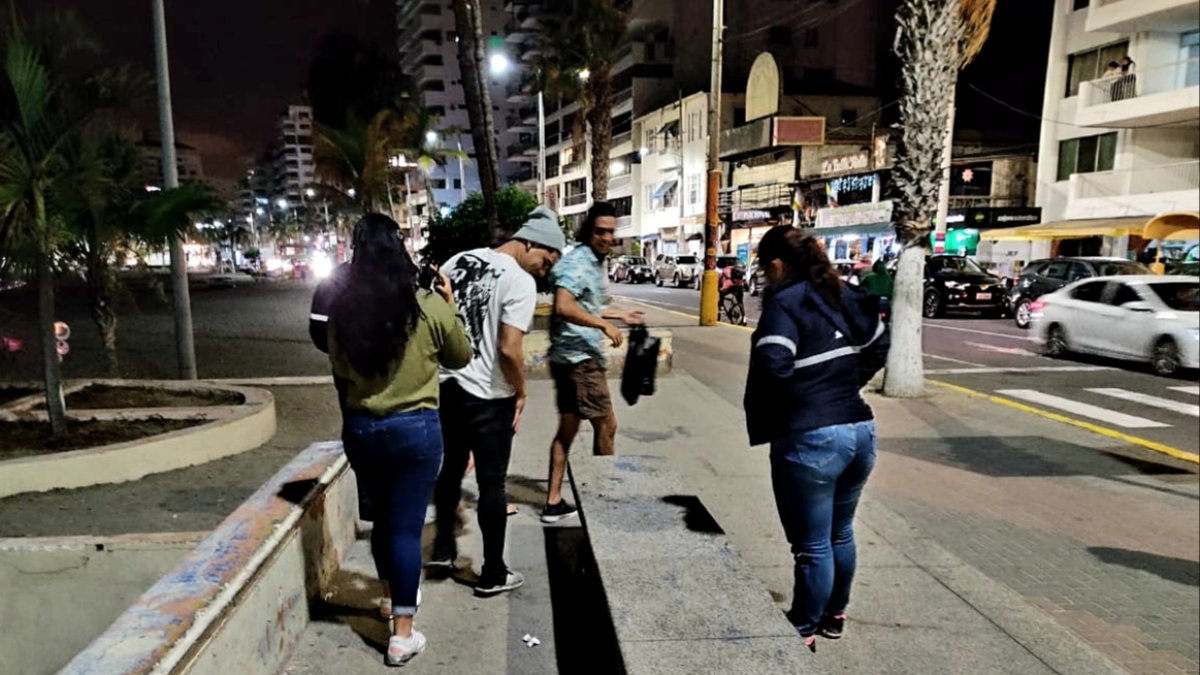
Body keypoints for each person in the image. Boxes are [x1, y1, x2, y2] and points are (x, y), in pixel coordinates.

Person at [327, 213, 472, 667]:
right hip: (416, 429)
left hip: (363, 429)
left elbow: (340, 372)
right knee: (407, 529)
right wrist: (451, 304)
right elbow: (461, 356)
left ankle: (391, 599)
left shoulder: (342, 310)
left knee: (384, 524)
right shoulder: (427, 304)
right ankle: (401, 635)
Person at [744, 226, 890, 653]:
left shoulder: (786, 302)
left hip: (811, 439)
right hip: (860, 429)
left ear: (776, 265)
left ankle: (803, 629)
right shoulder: (842, 293)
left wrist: (805, 404)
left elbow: (773, 363)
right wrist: (844, 386)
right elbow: (879, 348)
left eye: (763, 268)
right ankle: (833, 616)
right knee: (840, 532)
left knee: (811, 546)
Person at [430, 206, 566, 597]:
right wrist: (521, 391)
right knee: (492, 483)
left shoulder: (456, 262)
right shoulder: (519, 282)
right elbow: (509, 350)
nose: (544, 269)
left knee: (451, 468)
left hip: (446, 385)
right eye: (546, 259)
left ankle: (443, 548)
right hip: (489, 396)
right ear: (530, 242)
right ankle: (492, 572)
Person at [542, 201, 643, 524]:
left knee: (568, 430)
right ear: (589, 231)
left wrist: (619, 315)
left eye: (611, 231)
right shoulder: (578, 263)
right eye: (600, 231)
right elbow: (564, 306)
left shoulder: (592, 263)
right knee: (607, 425)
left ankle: (553, 502)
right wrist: (603, 325)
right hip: (580, 359)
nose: (606, 237)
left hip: (569, 357)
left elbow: (587, 305)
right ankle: (604, 500)